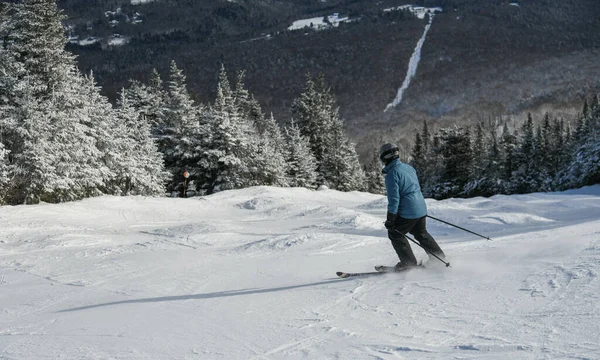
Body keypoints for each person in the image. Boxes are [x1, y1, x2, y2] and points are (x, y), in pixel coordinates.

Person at [379, 143, 445, 270]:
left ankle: (408, 263)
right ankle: (439, 258)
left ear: (384, 158)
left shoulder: (392, 174)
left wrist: (390, 219)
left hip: (409, 211)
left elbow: (394, 199)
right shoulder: (408, 168)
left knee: (395, 233)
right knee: (421, 232)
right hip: (420, 207)